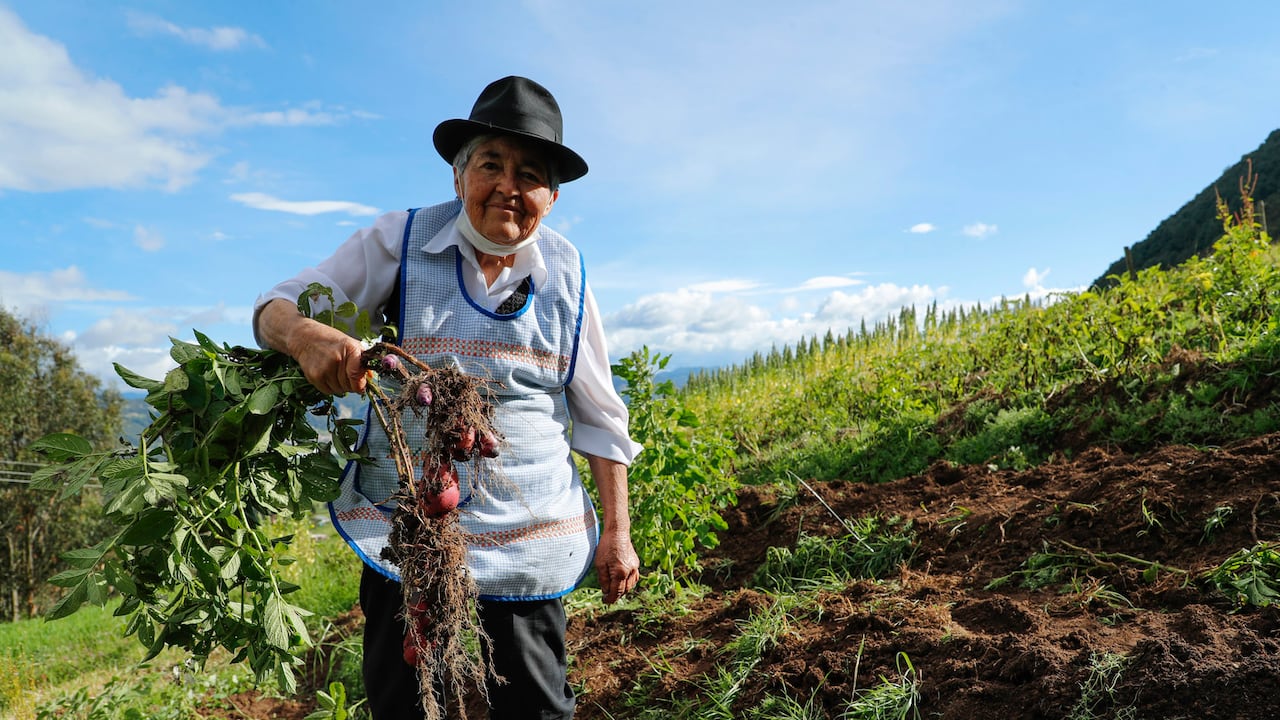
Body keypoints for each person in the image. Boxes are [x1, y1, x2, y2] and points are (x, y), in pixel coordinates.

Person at [253, 76, 642, 720]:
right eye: (491, 164)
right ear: (459, 176)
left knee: (537, 709)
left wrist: (619, 535)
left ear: (551, 197)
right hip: (410, 532)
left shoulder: (568, 274)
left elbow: (600, 416)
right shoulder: (399, 242)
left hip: (529, 537)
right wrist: (305, 336)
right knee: (404, 703)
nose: (508, 186)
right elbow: (275, 305)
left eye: (530, 174)